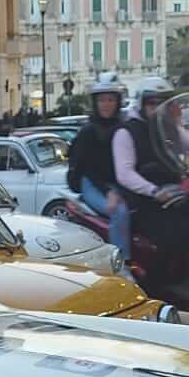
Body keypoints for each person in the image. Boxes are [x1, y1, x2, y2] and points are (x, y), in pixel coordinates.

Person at [112, 76, 189, 264]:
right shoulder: (126, 132)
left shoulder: (170, 128)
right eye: (152, 103)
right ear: (141, 104)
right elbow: (125, 174)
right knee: (172, 234)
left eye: (163, 103)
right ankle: (162, 278)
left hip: (175, 194)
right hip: (145, 200)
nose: (158, 108)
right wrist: (153, 191)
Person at [68, 73, 131, 262]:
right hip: (92, 183)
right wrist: (108, 192)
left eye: (111, 99)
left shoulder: (123, 127)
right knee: (119, 212)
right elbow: (89, 167)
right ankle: (122, 262)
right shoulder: (89, 131)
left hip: (117, 182)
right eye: (102, 100)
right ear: (95, 102)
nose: (106, 104)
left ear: (118, 102)